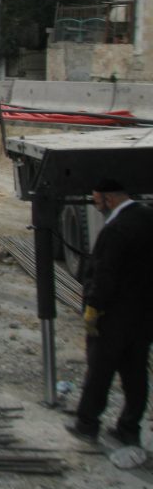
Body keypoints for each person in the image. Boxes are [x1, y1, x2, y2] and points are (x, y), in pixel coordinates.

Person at [66, 177, 153, 447]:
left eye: (97, 199)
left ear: (110, 199)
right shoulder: (148, 218)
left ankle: (87, 424)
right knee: (136, 372)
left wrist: (93, 308)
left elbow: (105, 275)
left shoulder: (115, 230)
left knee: (99, 371)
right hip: (144, 315)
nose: (95, 203)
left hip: (112, 315)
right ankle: (129, 429)